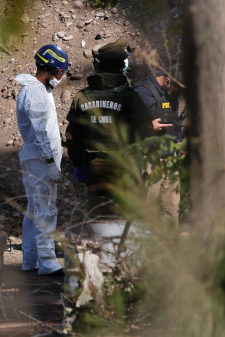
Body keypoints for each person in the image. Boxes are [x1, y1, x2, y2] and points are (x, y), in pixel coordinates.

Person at [65, 37, 153, 214]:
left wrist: (77, 163)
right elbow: (147, 128)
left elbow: (73, 135)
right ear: (121, 69)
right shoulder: (129, 96)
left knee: (99, 216)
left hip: (95, 168)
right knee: (127, 217)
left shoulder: (82, 96)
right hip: (125, 168)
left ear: (98, 68)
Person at [15, 44, 69, 276]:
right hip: (40, 161)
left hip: (37, 159)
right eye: (59, 73)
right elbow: (39, 131)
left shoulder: (39, 90)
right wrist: (49, 161)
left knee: (34, 210)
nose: (60, 78)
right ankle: (47, 263)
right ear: (47, 69)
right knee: (46, 210)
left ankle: (30, 260)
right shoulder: (35, 92)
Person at [135, 69, 185, 226]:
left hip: (171, 157)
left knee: (172, 205)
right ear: (168, 81)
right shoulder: (143, 93)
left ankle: (170, 245)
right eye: (177, 91)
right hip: (151, 158)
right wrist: (149, 127)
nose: (177, 95)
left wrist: (178, 141)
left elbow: (172, 122)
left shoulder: (170, 92)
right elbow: (132, 124)